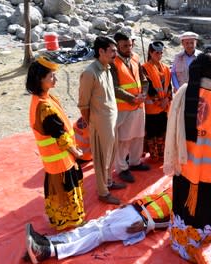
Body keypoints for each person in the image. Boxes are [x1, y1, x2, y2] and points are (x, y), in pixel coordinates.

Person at [164, 50, 211, 262]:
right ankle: (210, 250)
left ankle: (183, 245)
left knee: (186, 212)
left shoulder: (182, 96)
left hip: (184, 170)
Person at [24, 192, 172, 264]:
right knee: (94, 225)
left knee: (99, 234)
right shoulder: (177, 184)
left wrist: (147, 225)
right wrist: (132, 203)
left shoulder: (187, 201)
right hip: (134, 210)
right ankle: (46, 241)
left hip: (139, 222)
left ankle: (47, 252)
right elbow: (154, 199)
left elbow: (172, 222)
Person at [26, 57, 86, 231]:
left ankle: (66, 220)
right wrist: (75, 151)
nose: (55, 79)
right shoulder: (44, 106)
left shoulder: (41, 98)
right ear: (40, 79)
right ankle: (72, 222)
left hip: (56, 160)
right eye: (51, 76)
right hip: (60, 160)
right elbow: (59, 134)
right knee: (65, 193)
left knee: (60, 192)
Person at [78, 36, 125, 205]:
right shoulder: (90, 73)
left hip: (111, 121)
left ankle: (109, 182)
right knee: (100, 159)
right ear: (101, 51)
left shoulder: (107, 69)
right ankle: (103, 192)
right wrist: (94, 123)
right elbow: (83, 105)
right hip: (99, 123)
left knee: (111, 155)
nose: (115, 53)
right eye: (112, 50)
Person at [110, 32, 150, 184]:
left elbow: (144, 80)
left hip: (139, 105)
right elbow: (114, 88)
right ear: (117, 46)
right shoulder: (113, 63)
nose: (128, 48)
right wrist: (132, 98)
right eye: (124, 46)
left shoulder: (135, 58)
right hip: (124, 108)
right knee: (124, 139)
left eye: (130, 45)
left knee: (138, 136)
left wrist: (144, 94)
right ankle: (121, 168)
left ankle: (135, 162)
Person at [142, 41, 172, 163]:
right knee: (152, 134)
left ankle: (162, 154)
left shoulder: (165, 68)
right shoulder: (144, 68)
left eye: (161, 53)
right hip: (152, 109)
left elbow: (169, 86)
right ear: (150, 53)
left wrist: (167, 99)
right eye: (156, 53)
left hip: (164, 108)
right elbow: (148, 88)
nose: (159, 55)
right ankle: (154, 155)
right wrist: (159, 102)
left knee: (163, 132)